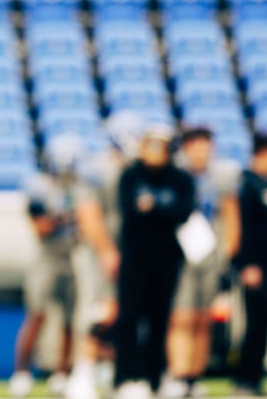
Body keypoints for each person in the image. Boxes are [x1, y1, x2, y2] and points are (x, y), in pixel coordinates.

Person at [65, 110, 145, 399]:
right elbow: (89, 215)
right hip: (96, 253)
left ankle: (115, 374)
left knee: (120, 314)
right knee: (93, 311)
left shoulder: (132, 171)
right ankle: (81, 373)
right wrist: (107, 251)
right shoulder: (96, 170)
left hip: (123, 252)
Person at [114, 123, 195, 399]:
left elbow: (183, 212)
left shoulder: (180, 178)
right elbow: (130, 211)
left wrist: (155, 207)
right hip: (135, 258)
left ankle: (155, 378)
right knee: (129, 319)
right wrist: (162, 210)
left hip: (167, 259)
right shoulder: (131, 176)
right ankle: (124, 378)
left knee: (159, 320)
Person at [164, 125, 242, 398]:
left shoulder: (220, 178)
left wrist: (227, 255)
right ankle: (177, 373)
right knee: (180, 317)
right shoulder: (176, 176)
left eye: (206, 145)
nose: (202, 152)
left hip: (210, 255)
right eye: (196, 145)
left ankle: (194, 375)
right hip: (181, 256)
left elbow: (231, 217)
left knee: (203, 318)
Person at [9, 134, 85, 398]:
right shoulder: (40, 187)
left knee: (69, 320)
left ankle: (63, 373)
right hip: (47, 258)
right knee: (37, 315)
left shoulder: (79, 188)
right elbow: (40, 227)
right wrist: (64, 219)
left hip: (71, 257)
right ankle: (21, 372)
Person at [232, 131, 267, 396]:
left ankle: (254, 378)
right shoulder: (248, 185)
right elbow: (242, 229)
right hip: (257, 267)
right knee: (254, 325)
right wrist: (246, 264)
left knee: (264, 325)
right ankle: (245, 380)